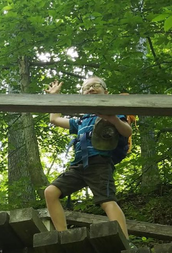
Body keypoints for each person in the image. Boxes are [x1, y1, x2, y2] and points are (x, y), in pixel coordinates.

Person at [44, 76, 132, 237]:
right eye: (86, 87)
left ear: (106, 92)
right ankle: (63, 236)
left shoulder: (113, 114)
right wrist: (54, 97)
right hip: (79, 166)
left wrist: (112, 119)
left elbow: (127, 131)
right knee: (50, 192)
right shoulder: (81, 121)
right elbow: (54, 119)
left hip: (99, 162)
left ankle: (124, 241)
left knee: (106, 201)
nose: (91, 89)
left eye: (96, 85)